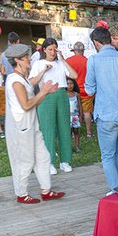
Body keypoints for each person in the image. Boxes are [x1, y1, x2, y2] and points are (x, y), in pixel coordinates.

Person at [2, 43, 64, 204]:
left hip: (32, 124)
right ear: (17, 60)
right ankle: (22, 194)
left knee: (43, 156)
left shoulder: (23, 78)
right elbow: (26, 105)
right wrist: (43, 91)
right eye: (25, 57)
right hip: (21, 126)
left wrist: (46, 91)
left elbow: (33, 97)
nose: (29, 58)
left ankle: (46, 190)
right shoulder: (15, 80)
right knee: (25, 160)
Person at [85, 23, 118, 192]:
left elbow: (89, 89)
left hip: (107, 114)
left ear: (96, 43)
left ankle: (116, 189)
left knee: (108, 155)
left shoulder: (94, 60)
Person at [29, 38, 78, 175]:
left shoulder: (60, 63)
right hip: (46, 96)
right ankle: (48, 162)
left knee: (64, 127)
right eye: (50, 49)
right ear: (44, 49)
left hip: (62, 95)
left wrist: (62, 59)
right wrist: (43, 71)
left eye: (54, 49)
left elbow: (74, 75)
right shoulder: (39, 64)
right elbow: (32, 82)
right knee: (47, 130)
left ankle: (65, 161)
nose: (52, 52)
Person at [65, 41, 93, 138]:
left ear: (74, 51)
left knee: (71, 112)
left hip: (72, 91)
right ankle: (89, 133)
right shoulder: (88, 61)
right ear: (83, 50)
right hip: (85, 91)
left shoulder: (68, 61)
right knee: (87, 112)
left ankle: (72, 133)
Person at [66, 77, 82, 153]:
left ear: (74, 84)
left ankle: (77, 146)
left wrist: (81, 116)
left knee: (76, 131)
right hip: (67, 116)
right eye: (68, 84)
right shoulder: (64, 95)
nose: (69, 85)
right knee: (67, 132)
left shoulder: (76, 95)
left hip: (75, 116)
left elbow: (80, 106)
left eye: (71, 83)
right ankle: (68, 147)